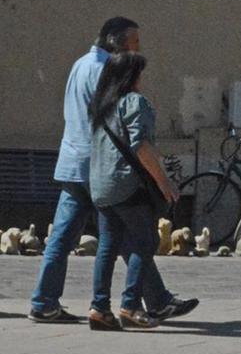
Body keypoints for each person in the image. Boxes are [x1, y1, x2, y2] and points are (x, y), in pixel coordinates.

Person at [31, 18, 196, 326]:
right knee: (132, 237)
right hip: (101, 169)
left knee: (70, 238)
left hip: (71, 161)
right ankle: (148, 303)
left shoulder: (79, 64)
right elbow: (123, 128)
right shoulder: (108, 70)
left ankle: (45, 301)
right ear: (117, 42)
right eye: (135, 42)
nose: (139, 49)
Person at [88, 52, 197, 330]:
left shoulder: (102, 107)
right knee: (144, 242)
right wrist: (164, 182)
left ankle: (99, 308)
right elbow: (142, 147)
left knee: (107, 247)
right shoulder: (135, 103)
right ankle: (131, 306)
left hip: (101, 186)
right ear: (131, 76)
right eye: (140, 73)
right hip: (128, 186)